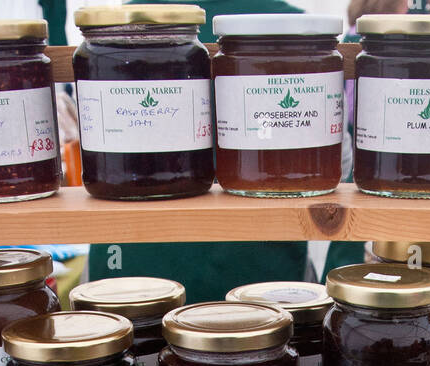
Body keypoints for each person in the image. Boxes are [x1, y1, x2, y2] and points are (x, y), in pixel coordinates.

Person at [87, 0, 314, 302]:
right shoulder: (293, 28)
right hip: (264, 259)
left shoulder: (119, 27)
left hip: (130, 258)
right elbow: (334, 164)